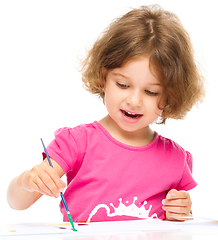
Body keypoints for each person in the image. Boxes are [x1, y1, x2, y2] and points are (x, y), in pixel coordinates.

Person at [7, 4, 205, 222]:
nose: (134, 100)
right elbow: (16, 202)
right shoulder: (77, 143)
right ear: (104, 78)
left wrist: (183, 211)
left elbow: (180, 222)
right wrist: (27, 181)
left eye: (150, 91)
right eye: (122, 85)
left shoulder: (175, 159)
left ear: (170, 96)